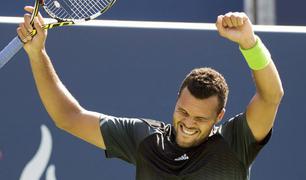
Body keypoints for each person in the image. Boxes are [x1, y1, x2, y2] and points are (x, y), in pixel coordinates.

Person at [19, 6, 283, 180]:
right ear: (177, 100)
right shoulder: (147, 140)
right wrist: (37, 54)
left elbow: (272, 96)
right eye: (183, 111)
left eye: (200, 119)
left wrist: (250, 44)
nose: (188, 123)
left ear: (219, 116)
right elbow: (68, 117)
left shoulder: (235, 143)